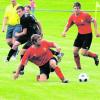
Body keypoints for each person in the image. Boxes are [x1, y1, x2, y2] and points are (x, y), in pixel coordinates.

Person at [62, 2, 99, 69]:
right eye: (75, 8)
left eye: (77, 8)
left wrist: (96, 32)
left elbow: (94, 21)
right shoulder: (72, 16)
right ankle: (78, 67)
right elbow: (68, 25)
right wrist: (64, 31)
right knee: (75, 52)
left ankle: (95, 56)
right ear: (73, 9)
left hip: (87, 35)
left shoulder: (85, 15)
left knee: (83, 53)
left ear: (80, 9)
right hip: (80, 35)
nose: (76, 10)